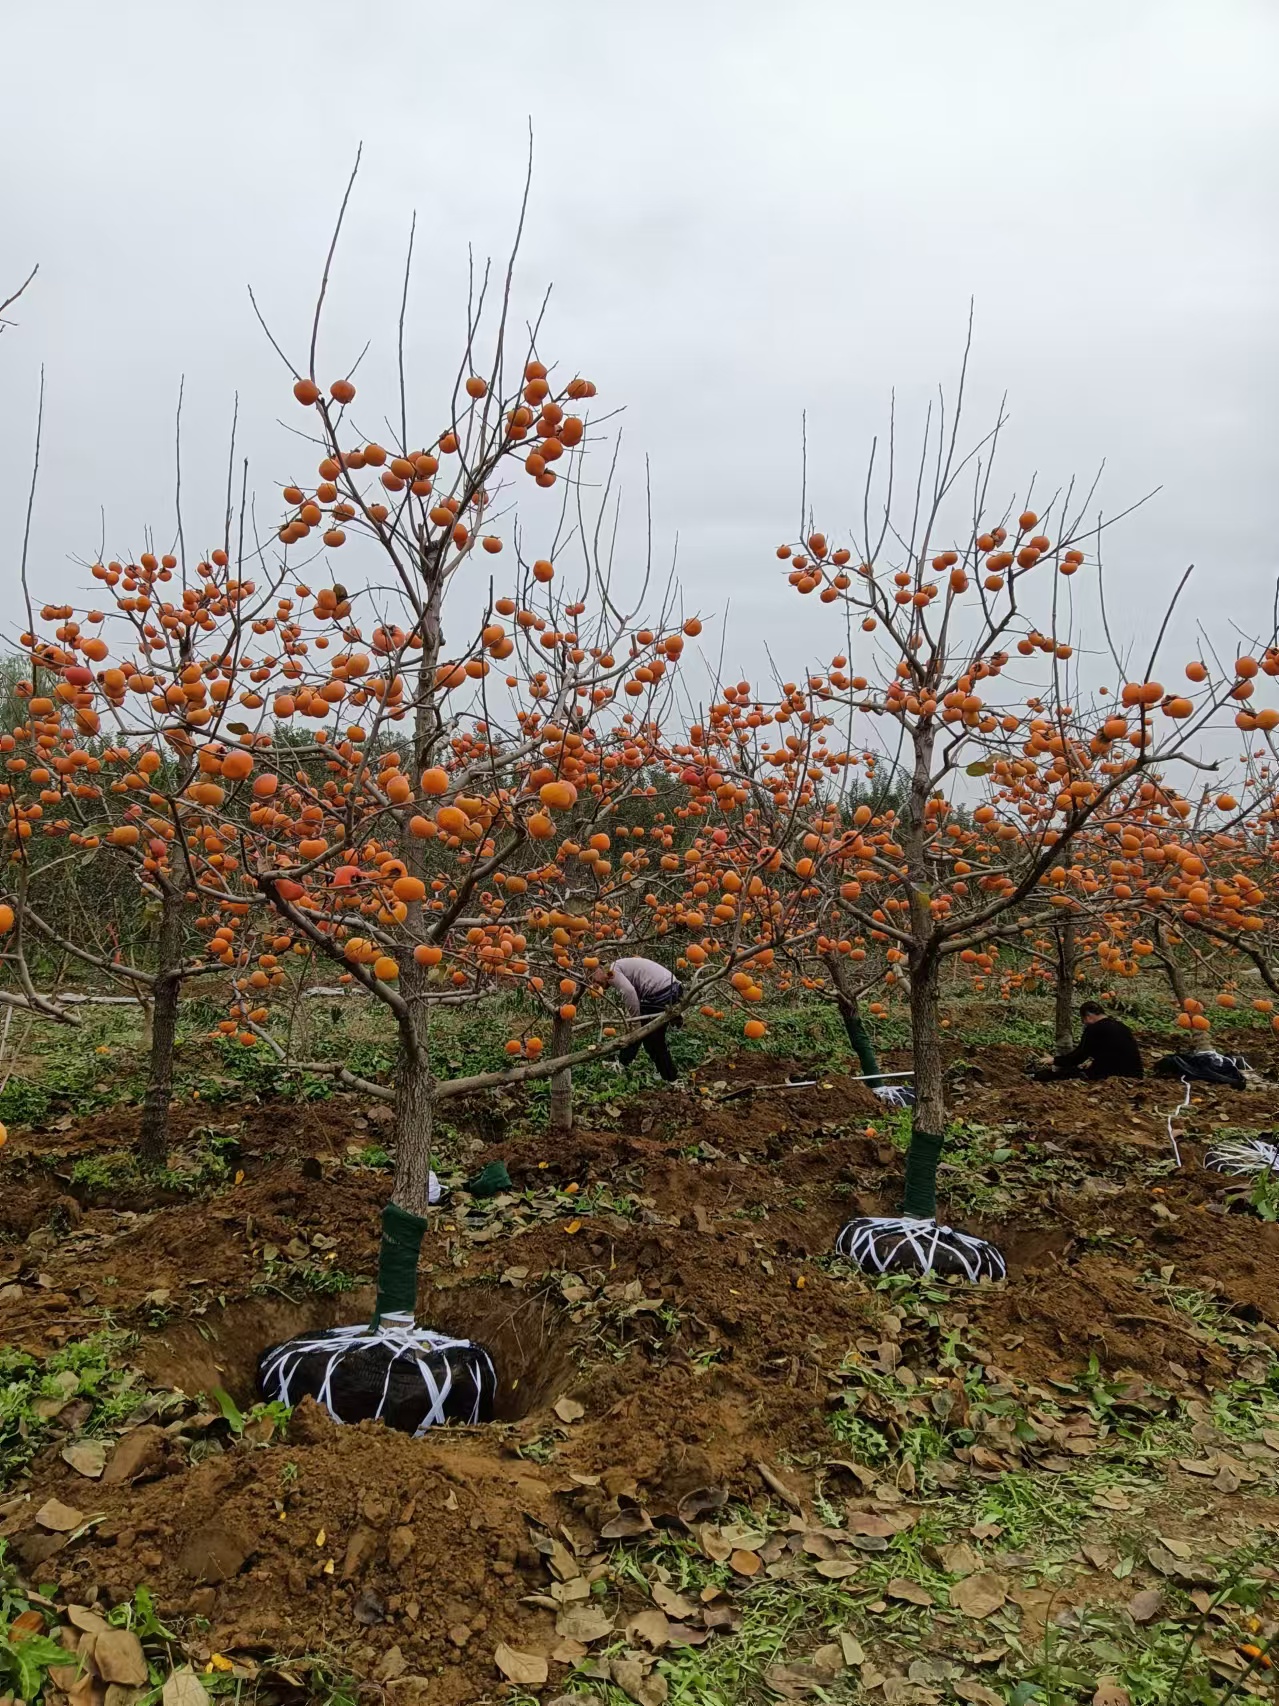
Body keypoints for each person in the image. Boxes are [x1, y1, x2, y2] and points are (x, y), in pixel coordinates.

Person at [598, 956, 683, 1083]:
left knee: (650, 1037)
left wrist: (635, 1021)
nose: (595, 985)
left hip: (661, 993)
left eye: (593, 980)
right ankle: (624, 1062)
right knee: (645, 1034)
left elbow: (629, 992)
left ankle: (671, 1078)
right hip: (672, 988)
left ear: (599, 970)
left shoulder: (612, 973)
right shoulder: (619, 966)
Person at [1042, 1001, 1143, 1081]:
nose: (1085, 1023)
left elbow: (1078, 1057)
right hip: (1136, 1074)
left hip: (1114, 1076)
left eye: (1083, 1020)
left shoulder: (1094, 1029)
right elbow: (1113, 1051)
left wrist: (1055, 1060)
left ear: (1088, 1016)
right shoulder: (1121, 1026)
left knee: (1058, 1076)